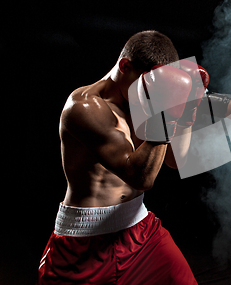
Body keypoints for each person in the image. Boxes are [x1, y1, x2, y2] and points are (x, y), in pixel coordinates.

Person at [37, 30, 203, 285]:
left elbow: (175, 161)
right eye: (146, 85)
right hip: (83, 244)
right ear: (124, 66)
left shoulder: (141, 100)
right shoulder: (84, 107)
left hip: (141, 232)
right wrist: (166, 114)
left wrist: (186, 111)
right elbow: (140, 177)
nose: (150, 94)